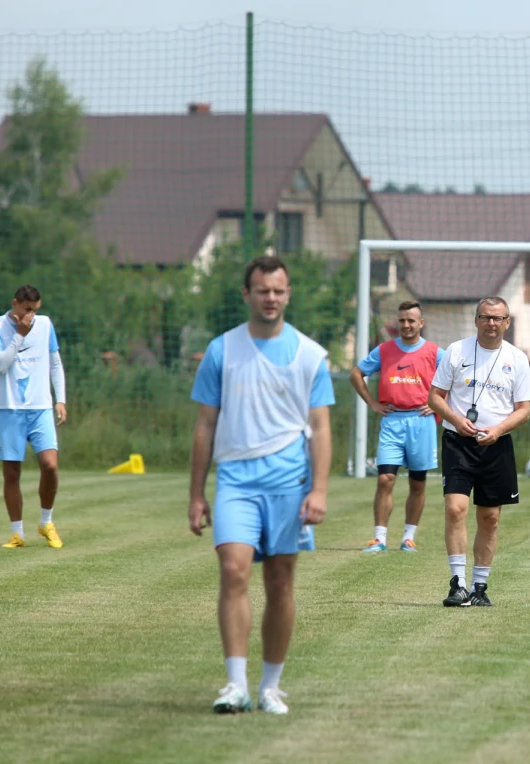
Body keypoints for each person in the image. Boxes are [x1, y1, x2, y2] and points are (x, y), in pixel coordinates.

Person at [188, 256, 334, 715]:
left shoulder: (311, 355)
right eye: (262, 290)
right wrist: (195, 494)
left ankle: (271, 686)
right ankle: (236, 685)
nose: (271, 298)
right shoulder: (221, 351)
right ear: (246, 294)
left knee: (280, 581)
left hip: (290, 483)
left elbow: (321, 427)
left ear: (288, 294)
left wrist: (321, 490)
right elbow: (204, 426)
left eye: (278, 290)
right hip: (235, 480)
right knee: (233, 570)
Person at [427, 297, 530, 608]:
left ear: (507, 323)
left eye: (498, 318)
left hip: (497, 445)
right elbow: (435, 397)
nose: (491, 323)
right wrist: (457, 420)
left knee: (490, 518)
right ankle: (457, 584)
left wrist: (498, 430)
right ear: (476, 320)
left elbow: (524, 410)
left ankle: (479, 587)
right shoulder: (457, 351)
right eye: (486, 317)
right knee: (455, 509)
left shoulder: (518, 358)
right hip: (458, 442)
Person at [350, 301, 444, 553]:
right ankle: (379, 539)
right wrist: (372, 403)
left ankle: (408, 538)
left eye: (411, 320)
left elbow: (456, 379)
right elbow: (356, 374)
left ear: (421, 323)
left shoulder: (436, 352)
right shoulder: (384, 350)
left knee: (417, 484)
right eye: (402, 320)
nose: (406, 325)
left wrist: (438, 405)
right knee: (385, 479)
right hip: (392, 421)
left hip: (421, 422)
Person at [0, 285, 67, 550]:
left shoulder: (45, 324)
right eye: (27, 310)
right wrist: (19, 335)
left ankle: (46, 521)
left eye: (35, 310)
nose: (31, 316)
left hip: (40, 407)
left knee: (50, 465)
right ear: (15, 304)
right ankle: (17, 533)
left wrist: (60, 399)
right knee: (11, 473)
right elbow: (0, 364)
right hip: (9, 409)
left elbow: (55, 363)